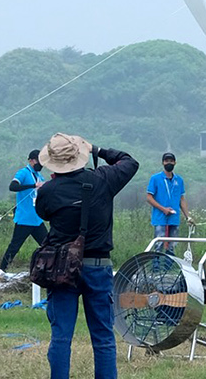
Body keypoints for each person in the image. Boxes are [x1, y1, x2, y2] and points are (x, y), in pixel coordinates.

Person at [34, 133, 138, 379]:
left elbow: (44, 215)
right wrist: (98, 149)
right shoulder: (103, 179)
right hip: (98, 266)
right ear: (80, 155)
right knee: (102, 336)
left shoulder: (48, 190)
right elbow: (130, 162)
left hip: (61, 268)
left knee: (61, 336)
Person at [0, 148, 47, 271]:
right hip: (24, 219)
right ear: (31, 161)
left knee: (47, 245)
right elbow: (13, 186)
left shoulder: (39, 176)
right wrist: (33, 185)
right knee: (14, 246)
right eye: (38, 161)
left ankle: (49, 269)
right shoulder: (23, 173)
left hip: (37, 219)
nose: (40, 164)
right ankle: (2, 270)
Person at [146, 151, 185, 246]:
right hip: (160, 216)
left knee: (173, 246)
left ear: (175, 163)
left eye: (171, 161)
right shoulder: (155, 178)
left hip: (174, 217)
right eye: (166, 161)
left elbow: (182, 199)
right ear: (163, 163)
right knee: (158, 245)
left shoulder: (179, 180)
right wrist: (163, 209)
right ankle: (157, 261)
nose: (169, 163)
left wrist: (188, 217)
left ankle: (169, 261)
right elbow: (149, 198)